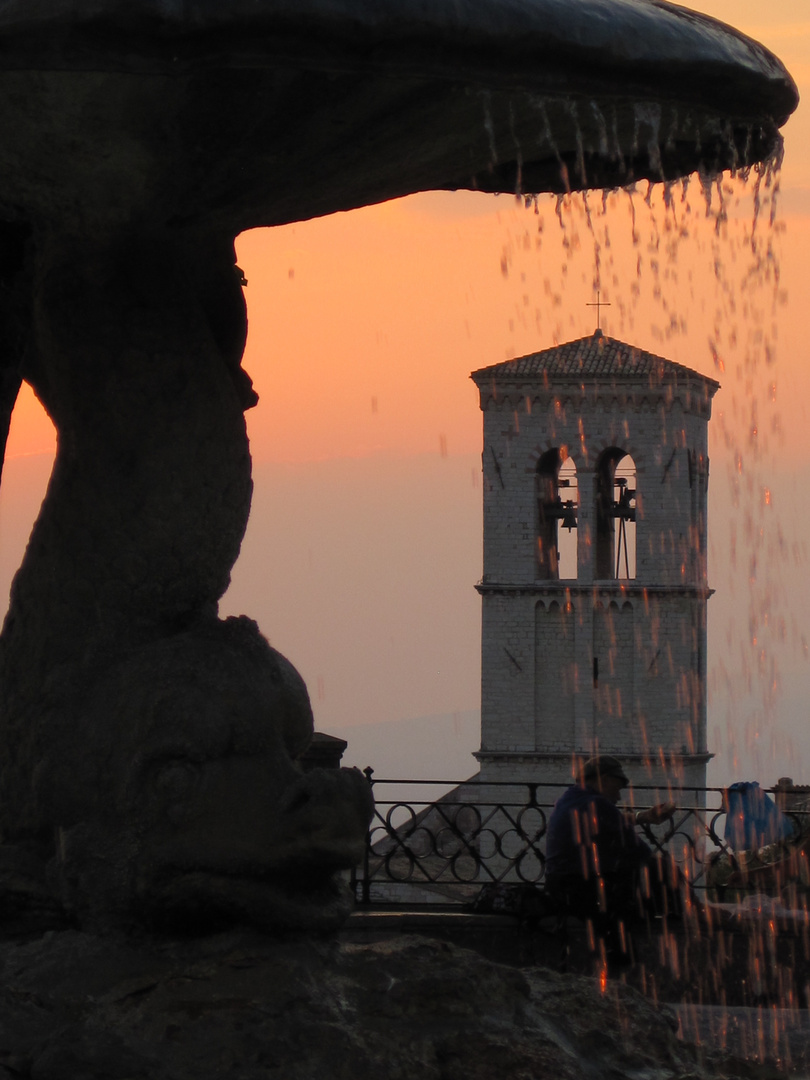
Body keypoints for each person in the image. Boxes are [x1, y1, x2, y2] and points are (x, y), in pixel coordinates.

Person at [544, 755, 680, 960]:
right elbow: (641, 852)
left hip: (559, 888)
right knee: (654, 867)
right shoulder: (596, 803)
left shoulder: (571, 798)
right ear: (604, 779)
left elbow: (609, 821)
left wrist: (642, 817)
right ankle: (684, 913)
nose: (618, 797)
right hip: (581, 890)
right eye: (617, 788)